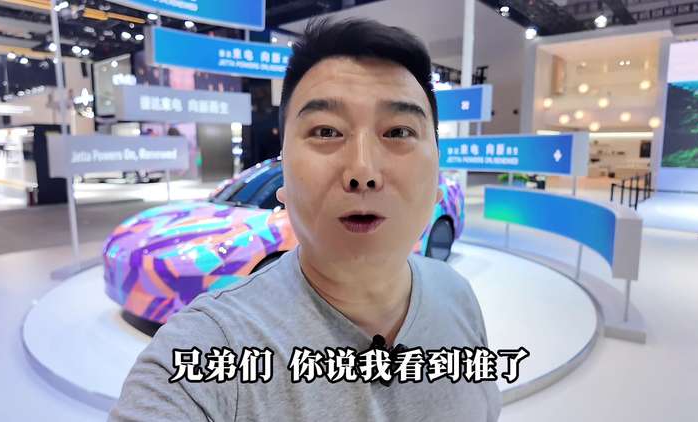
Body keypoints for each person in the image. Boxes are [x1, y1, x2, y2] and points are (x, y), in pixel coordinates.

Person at [110, 18, 501, 421]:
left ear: (437, 177)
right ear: (283, 180)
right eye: (326, 132)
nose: (363, 171)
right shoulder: (208, 351)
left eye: (399, 132)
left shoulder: (457, 297)